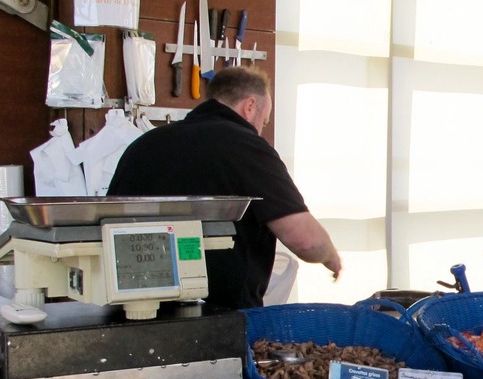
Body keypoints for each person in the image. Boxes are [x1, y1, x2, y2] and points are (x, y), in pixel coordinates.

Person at [107, 67, 341, 309]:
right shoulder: (247, 148)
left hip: (133, 313)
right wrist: (330, 255)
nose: (261, 128)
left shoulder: (144, 145)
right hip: (219, 321)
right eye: (265, 120)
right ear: (250, 106)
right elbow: (306, 241)